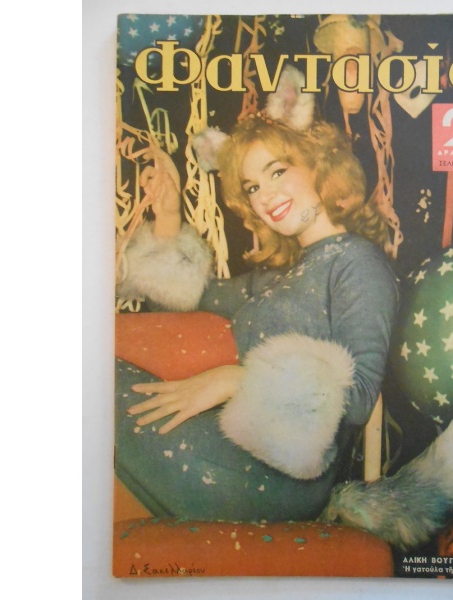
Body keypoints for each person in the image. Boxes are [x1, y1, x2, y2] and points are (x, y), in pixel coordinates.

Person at [114, 67, 399, 522]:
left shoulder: (356, 261)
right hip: (234, 453)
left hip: (282, 482)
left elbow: (361, 397)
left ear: (319, 165)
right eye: (252, 187)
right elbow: (194, 297)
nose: (266, 196)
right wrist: (168, 215)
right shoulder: (278, 276)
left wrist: (237, 380)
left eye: (277, 171)